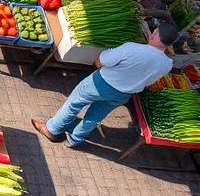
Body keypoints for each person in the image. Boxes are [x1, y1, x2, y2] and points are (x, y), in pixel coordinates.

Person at [32, 23, 178, 148]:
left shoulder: (132, 48)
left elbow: (102, 61)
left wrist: (105, 54)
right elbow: (149, 81)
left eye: (154, 32)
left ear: (156, 36)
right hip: (123, 95)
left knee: (74, 104)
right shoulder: (167, 64)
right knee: (95, 116)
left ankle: (52, 130)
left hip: (101, 83)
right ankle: (74, 140)